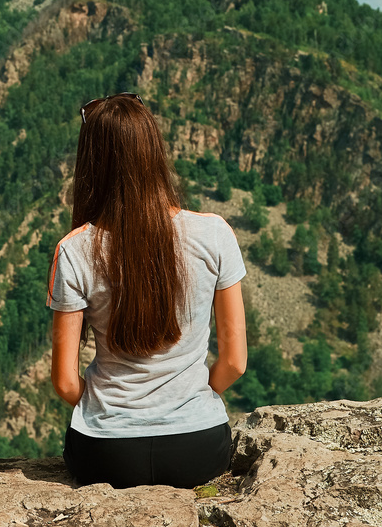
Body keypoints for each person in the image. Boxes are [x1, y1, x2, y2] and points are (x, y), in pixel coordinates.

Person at [45, 91, 248, 489]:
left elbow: (66, 382)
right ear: (154, 152)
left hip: (106, 455)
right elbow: (235, 362)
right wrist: (190, 400)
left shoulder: (74, 250)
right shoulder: (215, 234)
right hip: (198, 448)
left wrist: (110, 413)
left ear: (91, 163)